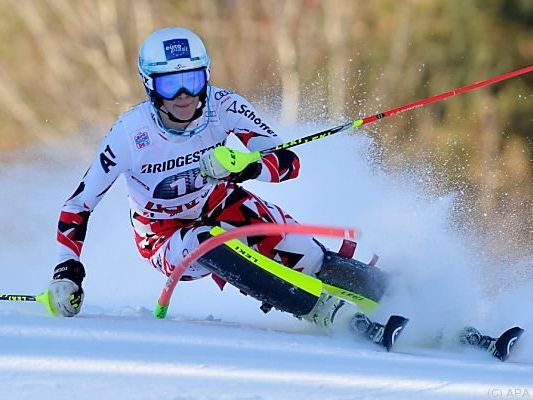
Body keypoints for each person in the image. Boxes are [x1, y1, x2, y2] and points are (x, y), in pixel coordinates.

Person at [48, 26, 333, 320]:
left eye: (192, 80)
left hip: (221, 203)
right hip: (163, 235)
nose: (183, 95)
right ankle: (320, 311)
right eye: (169, 85)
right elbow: (79, 204)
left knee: (310, 255)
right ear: (150, 85)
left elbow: (288, 162)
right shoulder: (129, 134)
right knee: (207, 240)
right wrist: (66, 268)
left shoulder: (223, 106)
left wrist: (247, 165)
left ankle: (377, 290)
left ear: (206, 77)